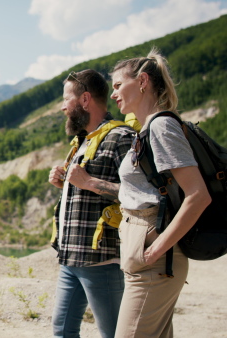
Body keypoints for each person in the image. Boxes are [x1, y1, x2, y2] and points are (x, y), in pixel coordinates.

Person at [110, 48, 211, 337]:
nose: (114, 94)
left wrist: (156, 249)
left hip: (154, 263)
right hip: (144, 260)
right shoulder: (146, 130)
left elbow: (198, 195)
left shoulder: (161, 126)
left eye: (118, 85)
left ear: (142, 82)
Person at [49, 69, 135, 338]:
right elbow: (86, 190)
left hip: (101, 260)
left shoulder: (121, 138)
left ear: (85, 99)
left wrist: (89, 183)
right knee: (62, 331)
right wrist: (65, 184)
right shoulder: (81, 142)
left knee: (112, 334)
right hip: (70, 256)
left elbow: (141, 195)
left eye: (67, 99)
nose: (63, 107)